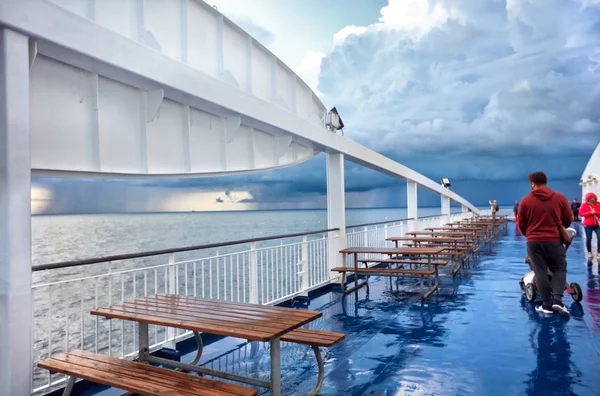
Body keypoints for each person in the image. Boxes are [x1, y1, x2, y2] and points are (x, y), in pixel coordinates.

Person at [517, 171, 572, 315]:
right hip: (554, 240)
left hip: (534, 241)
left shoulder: (525, 201)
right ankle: (558, 302)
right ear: (546, 183)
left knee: (540, 271)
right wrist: (559, 228)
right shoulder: (560, 198)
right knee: (559, 269)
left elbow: (521, 223)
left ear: (533, 184)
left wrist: (529, 234)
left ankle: (546, 305)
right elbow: (567, 219)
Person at [578, 192, 600, 260]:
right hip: (588, 225)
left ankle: (599, 252)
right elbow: (580, 214)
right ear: (587, 199)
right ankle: (589, 252)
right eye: (590, 198)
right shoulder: (584, 205)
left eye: (593, 198)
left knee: (599, 238)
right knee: (589, 238)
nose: (592, 199)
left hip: (597, 224)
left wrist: (596, 212)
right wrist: (589, 213)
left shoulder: (598, 204)